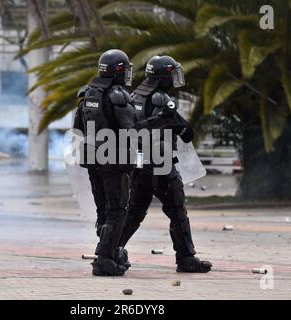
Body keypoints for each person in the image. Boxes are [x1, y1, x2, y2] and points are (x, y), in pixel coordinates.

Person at [118, 55, 212, 273]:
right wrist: (171, 120)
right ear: (163, 77)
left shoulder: (134, 96)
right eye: (172, 74)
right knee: (177, 211)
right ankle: (186, 258)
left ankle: (111, 250)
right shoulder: (161, 99)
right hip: (161, 164)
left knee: (134, 213)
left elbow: (129, 129)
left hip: (139, 164)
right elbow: (187, 133)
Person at [73, 49, 136, 276]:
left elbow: (77, 129)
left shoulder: (87, 94)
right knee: (117, 209)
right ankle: (105, 258)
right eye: (125, 69)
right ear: (117, 70)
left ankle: (110, 253)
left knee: (103, 210)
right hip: (114, 159)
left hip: (92, 158)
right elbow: (131, 131)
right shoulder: (118, 95)